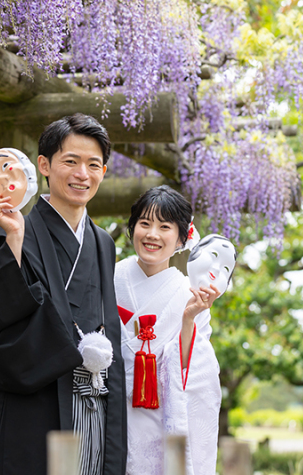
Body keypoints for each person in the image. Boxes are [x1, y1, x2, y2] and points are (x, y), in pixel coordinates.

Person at [0, 114, 127, 475]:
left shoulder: (102, 242)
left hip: (93, 397)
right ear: (44, 165)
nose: (82, 174)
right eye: (70, 161)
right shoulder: (18, 230)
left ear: (103, 172)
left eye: (93, 164)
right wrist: (14, 239)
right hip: (36, 401)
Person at [114, 186, 222, 475]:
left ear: (181, 237)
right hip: (112, 414)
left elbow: (194, 372)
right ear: (132, 227)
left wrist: (189, 319)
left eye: (164, 227)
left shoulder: (189, 293)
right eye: (144, 223)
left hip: (163, 418)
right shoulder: (111, 278)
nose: (152, 234)